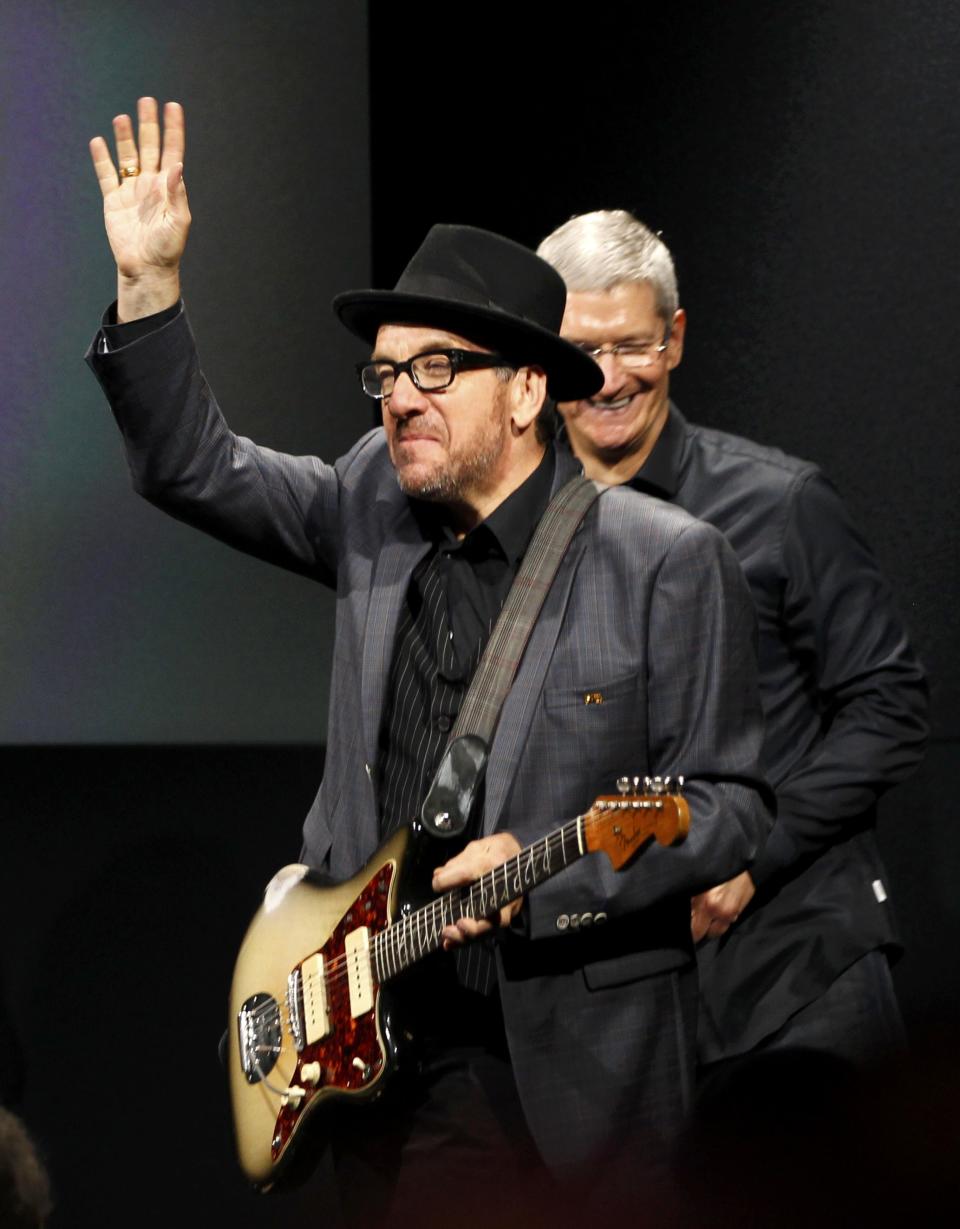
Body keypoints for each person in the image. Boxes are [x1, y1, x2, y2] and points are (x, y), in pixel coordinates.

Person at [85, 103, 770, 1219]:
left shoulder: (666, 562)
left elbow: (728, 804)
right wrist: (151, 287)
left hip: (555, 1073)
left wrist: (564, 873)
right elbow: (193, 468)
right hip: (372, 1048)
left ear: (530, 389)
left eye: (438, 367)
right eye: (388, 374)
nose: (401, 395)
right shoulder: (368, 501)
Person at [537, 209, 929, 1077]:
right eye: (581, 350)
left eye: (633, 345)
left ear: (674, 339)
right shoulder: (521, 537)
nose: (606, 378)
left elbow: (890, 705)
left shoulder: (782, 504)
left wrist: (756, 852)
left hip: (796, 968)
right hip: (622, 1011)